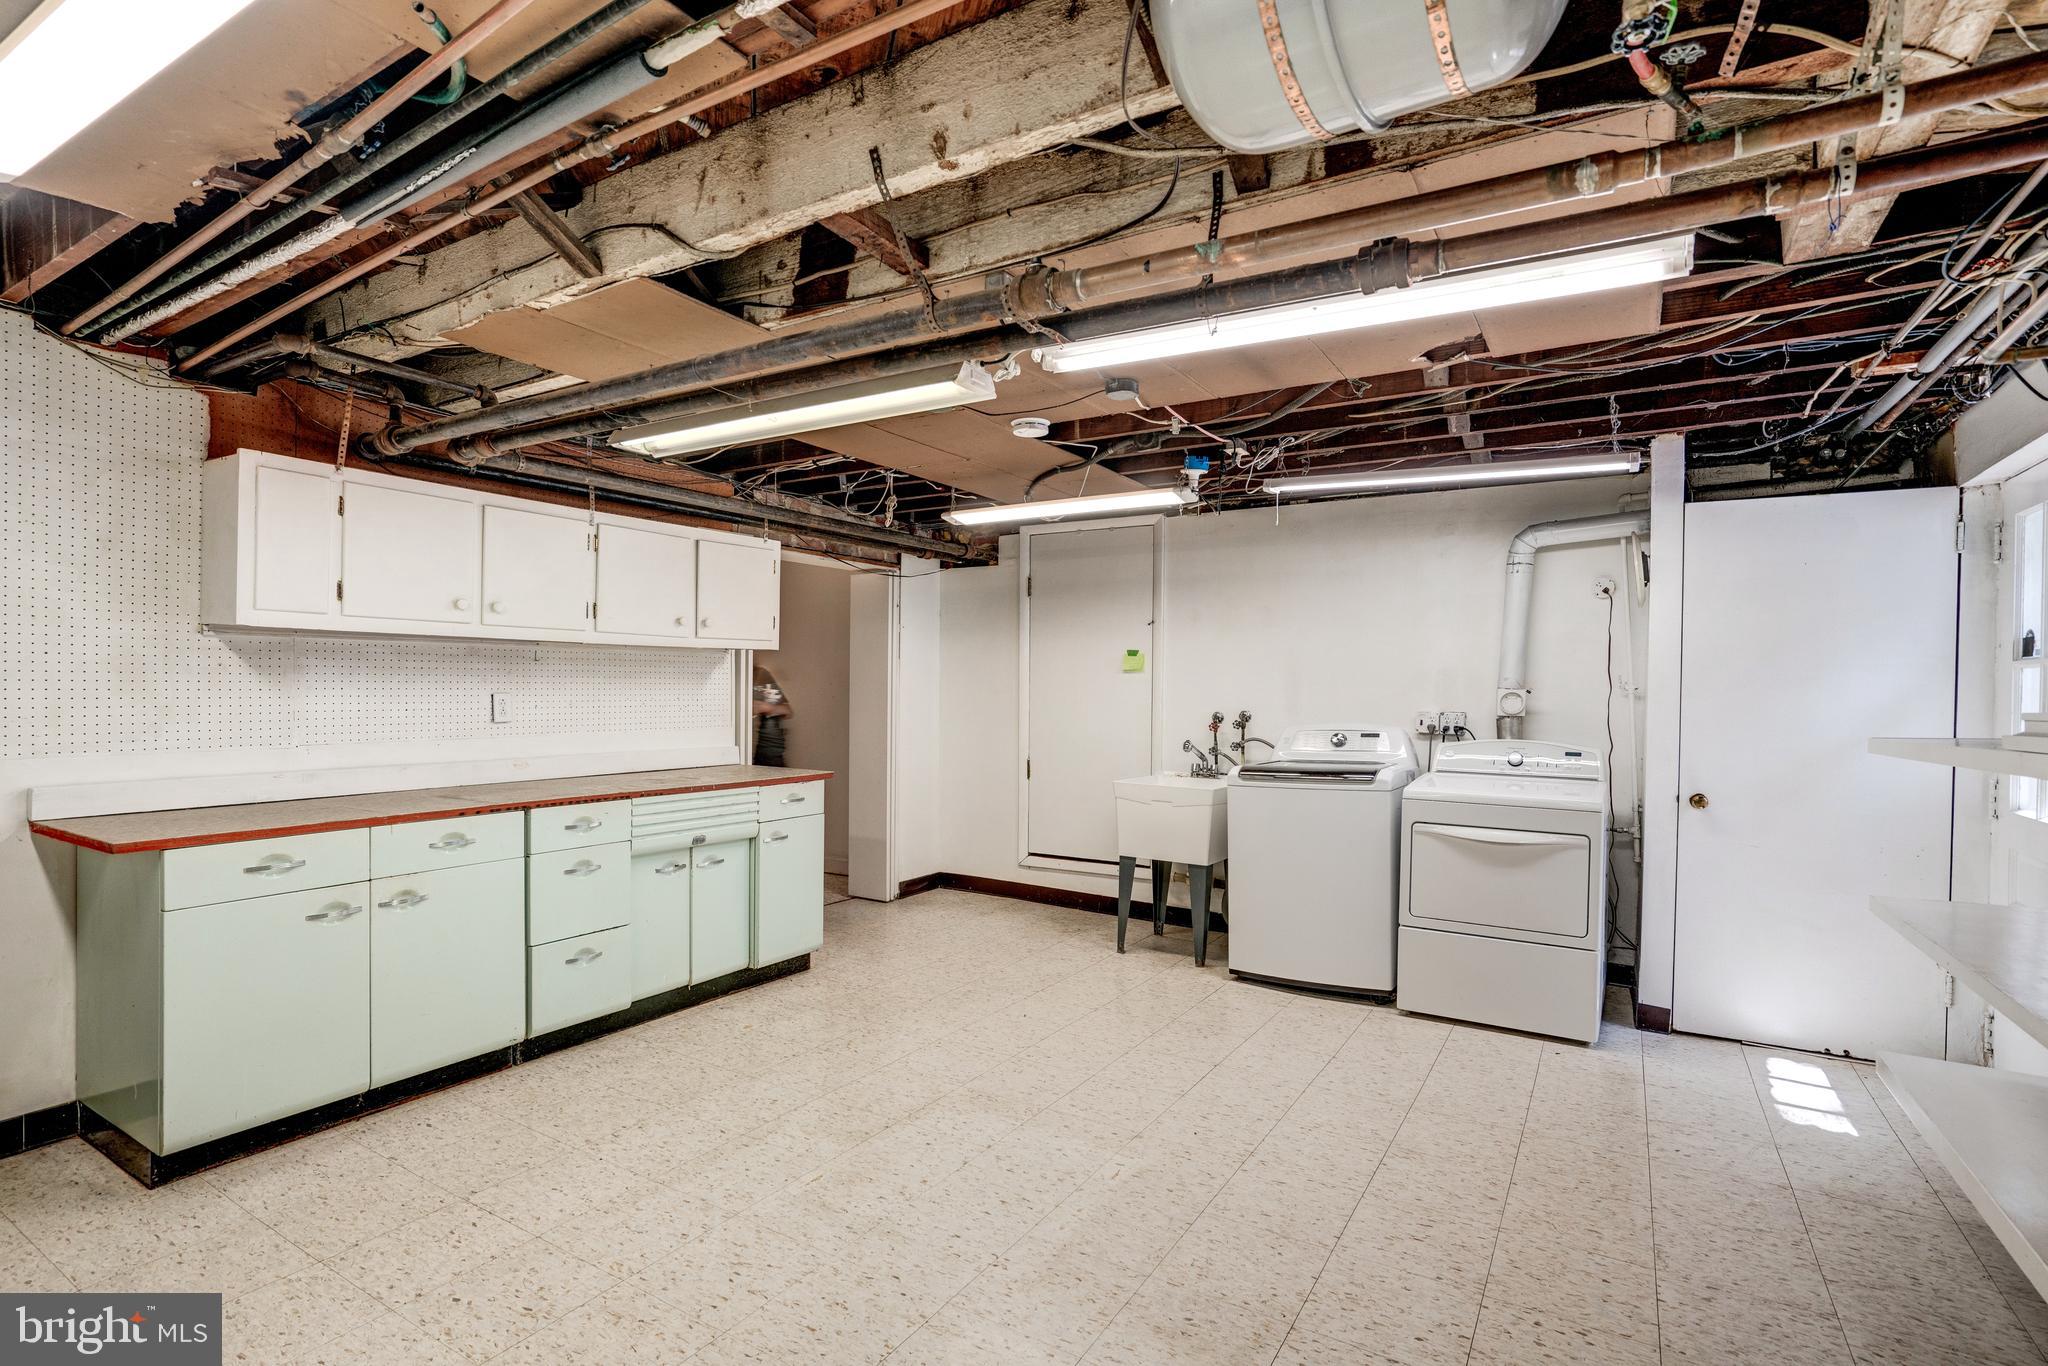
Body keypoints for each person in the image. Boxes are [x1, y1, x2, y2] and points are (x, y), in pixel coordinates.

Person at [753, 663, 790, 766]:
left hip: (769, 754)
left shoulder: (760, 677)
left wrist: (769, 708)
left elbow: (787, 710)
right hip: (747, 753)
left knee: (770, 722)